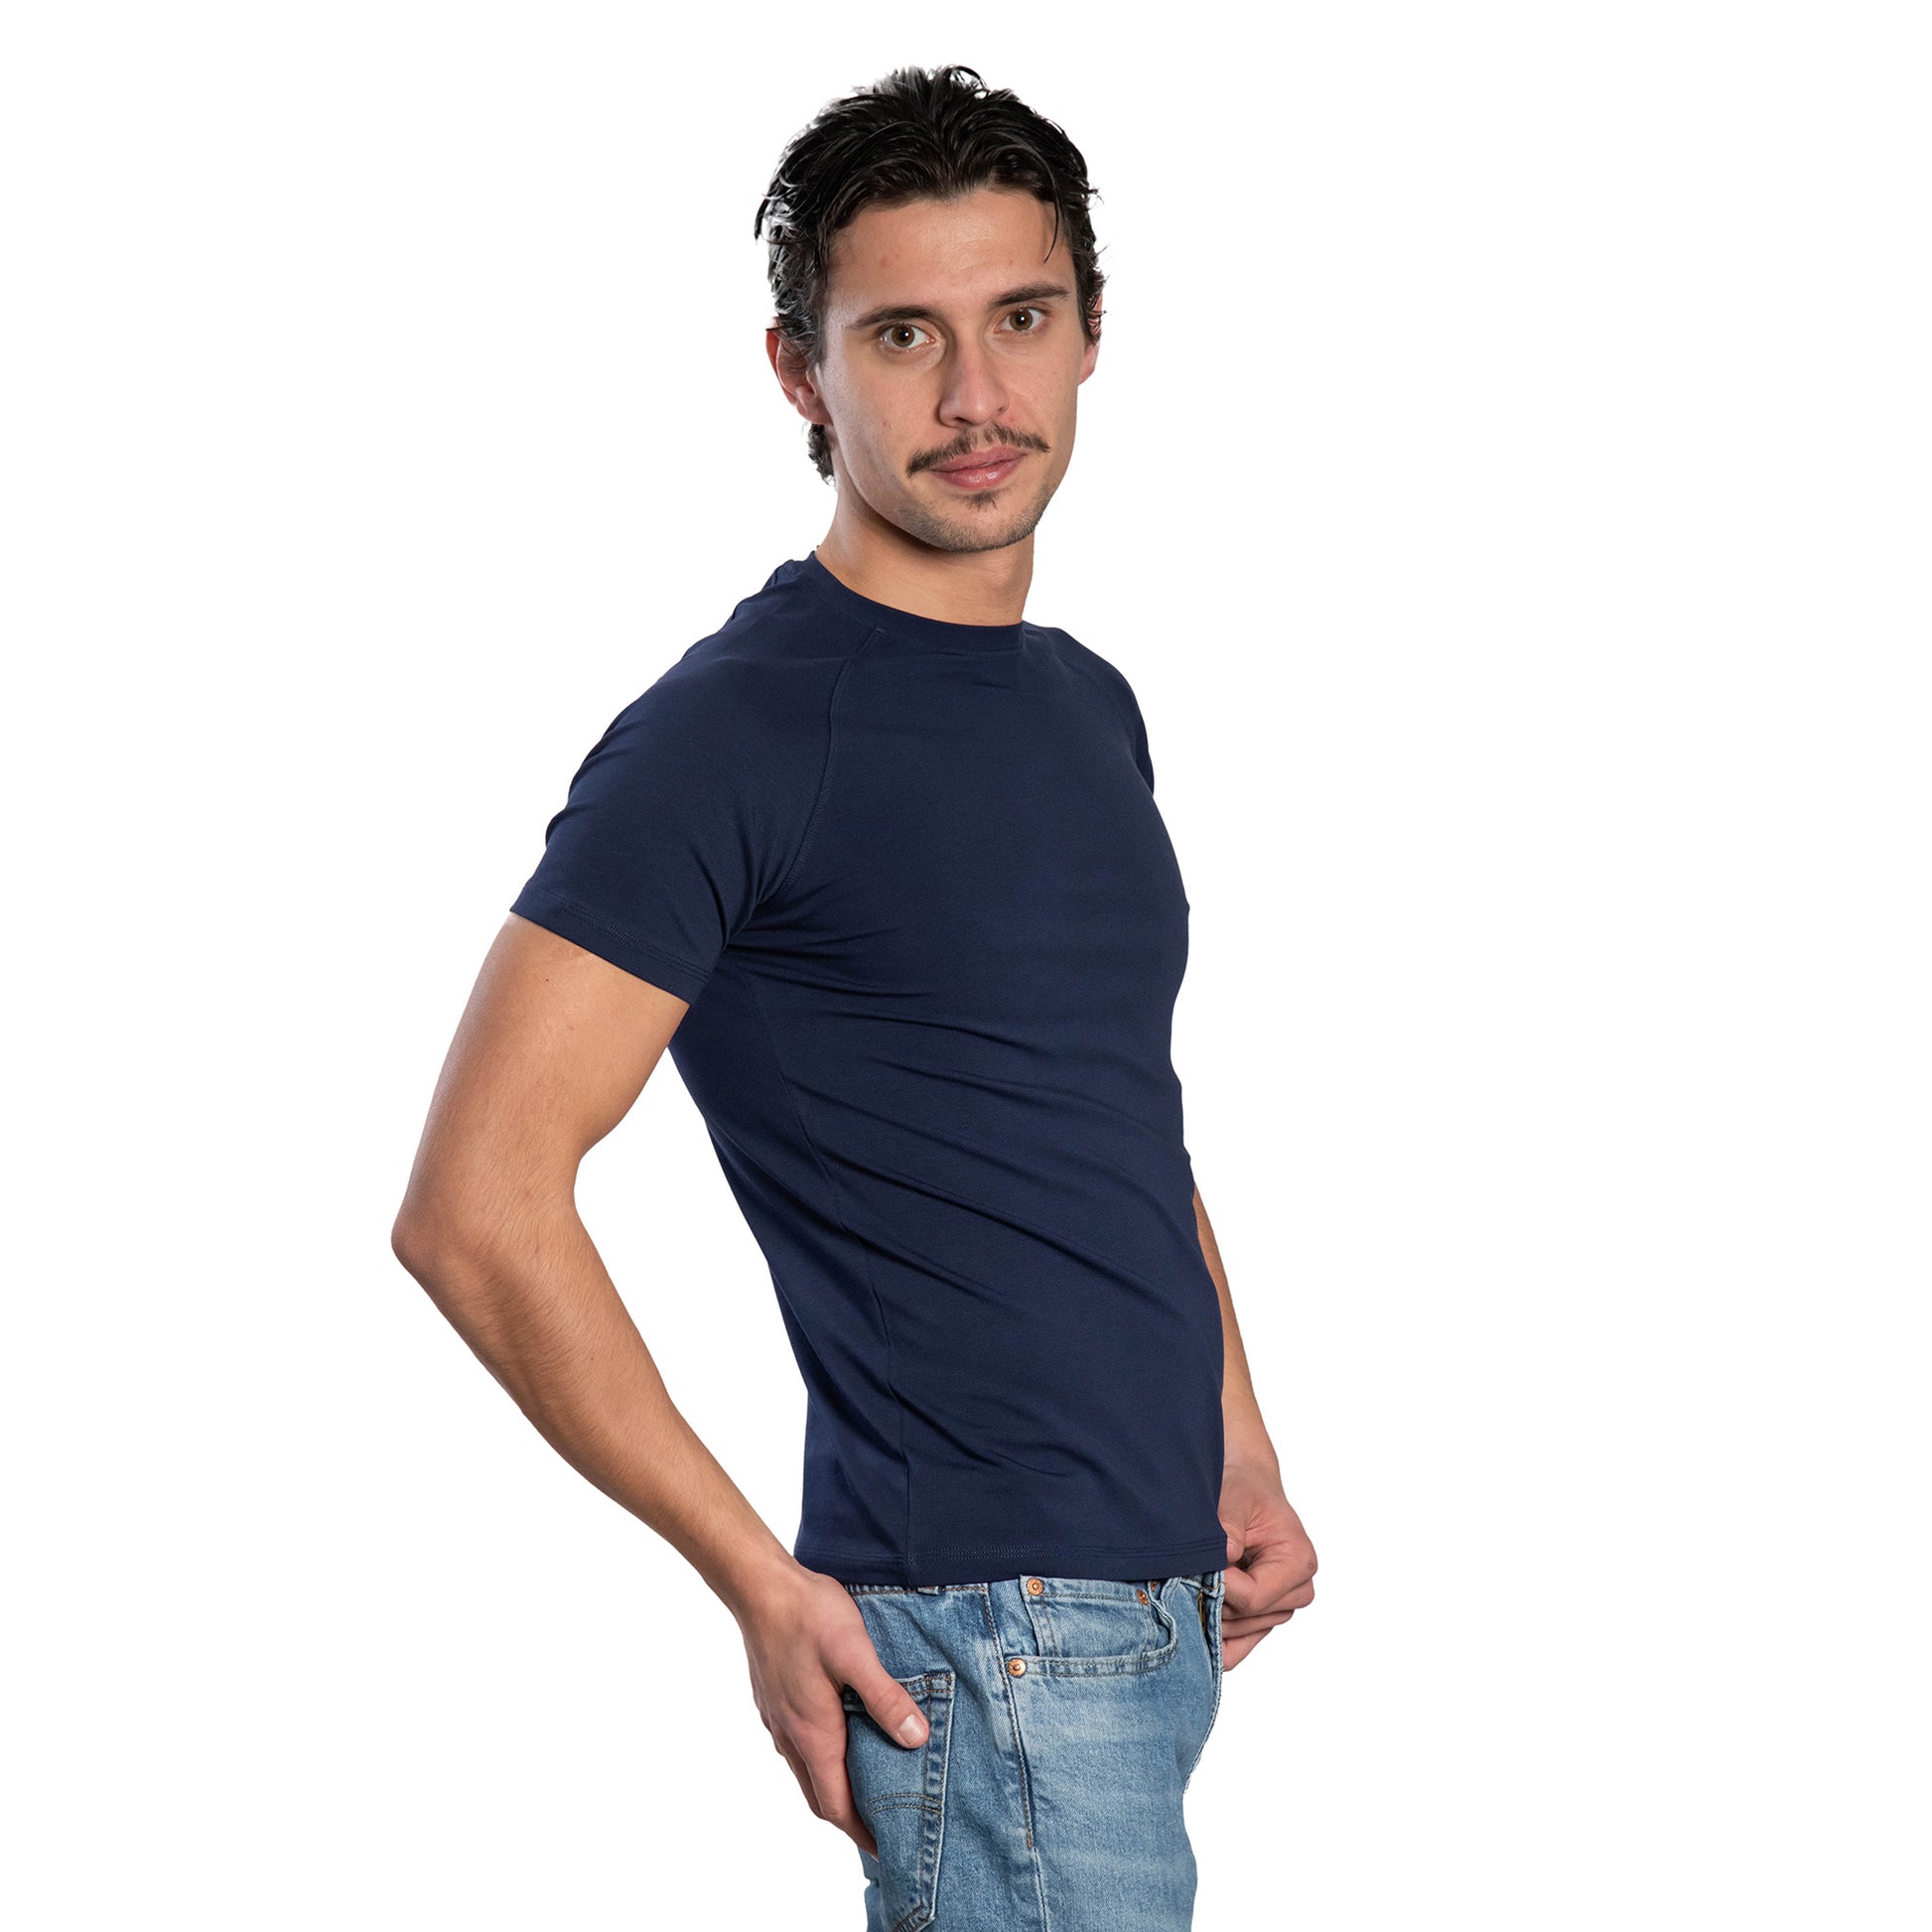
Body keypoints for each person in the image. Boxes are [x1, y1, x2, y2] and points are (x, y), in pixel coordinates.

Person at [391, 63, 1316, 1931]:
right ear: (800, 373)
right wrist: (756, 1577)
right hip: (984, 1634)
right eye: (902, 336)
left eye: (1019, 319)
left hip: (1143, 1614)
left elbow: (1108, 1107)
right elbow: (472, 1206)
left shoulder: (1082, 703)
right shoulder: (740, 734)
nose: (975, 397)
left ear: (1090, 332)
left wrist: (1233, 1435)